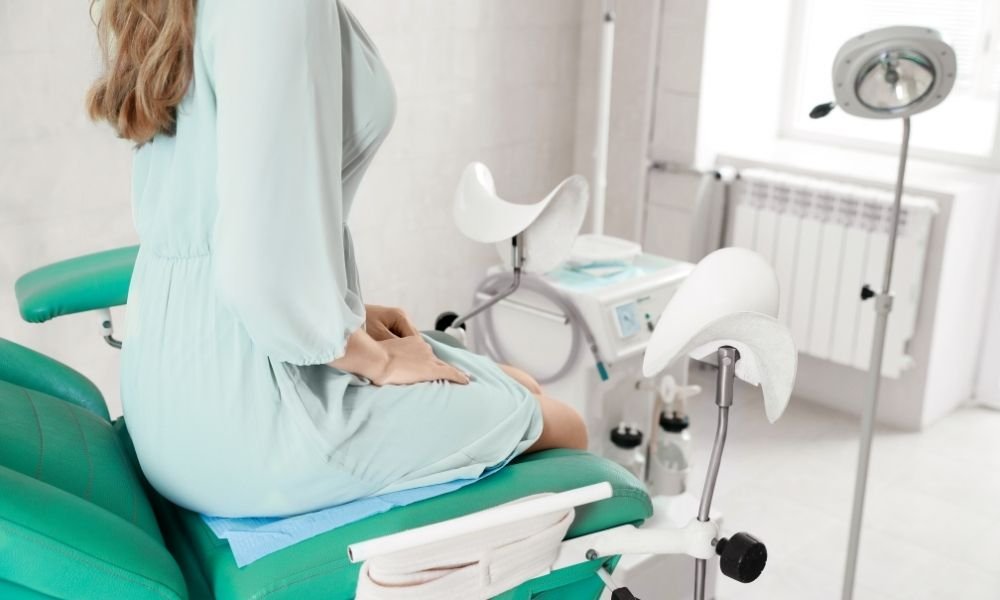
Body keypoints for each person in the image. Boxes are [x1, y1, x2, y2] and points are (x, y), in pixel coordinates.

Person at [88, 0, 587, 518]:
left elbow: (221, 216)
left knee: (519, 386)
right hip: (245, 422)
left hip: (168, 395)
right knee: (563, 425)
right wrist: (372, 357)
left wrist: (344, 318)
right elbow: (258, 272)